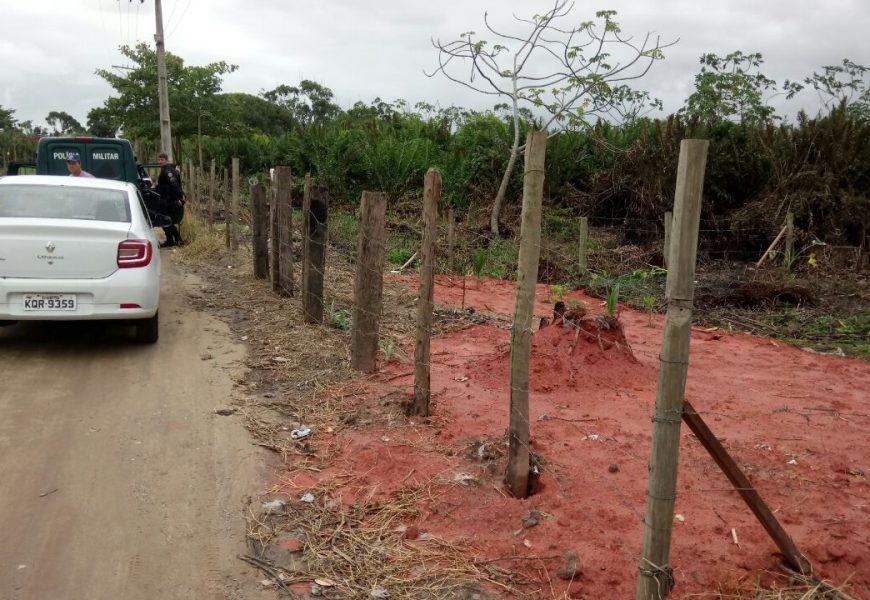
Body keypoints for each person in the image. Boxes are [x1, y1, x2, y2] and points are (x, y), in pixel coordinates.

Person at [156, 152, 186, 247]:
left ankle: (178, 240)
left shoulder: (168, 171)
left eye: (162, 160)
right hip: (167, 199)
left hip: (169, 200)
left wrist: (179, 198)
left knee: (166, 220)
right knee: (167, 221)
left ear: (166, 160)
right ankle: (171, 241)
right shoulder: (167, 169)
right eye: (159, 160)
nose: (160, 161)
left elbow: (175, 185)